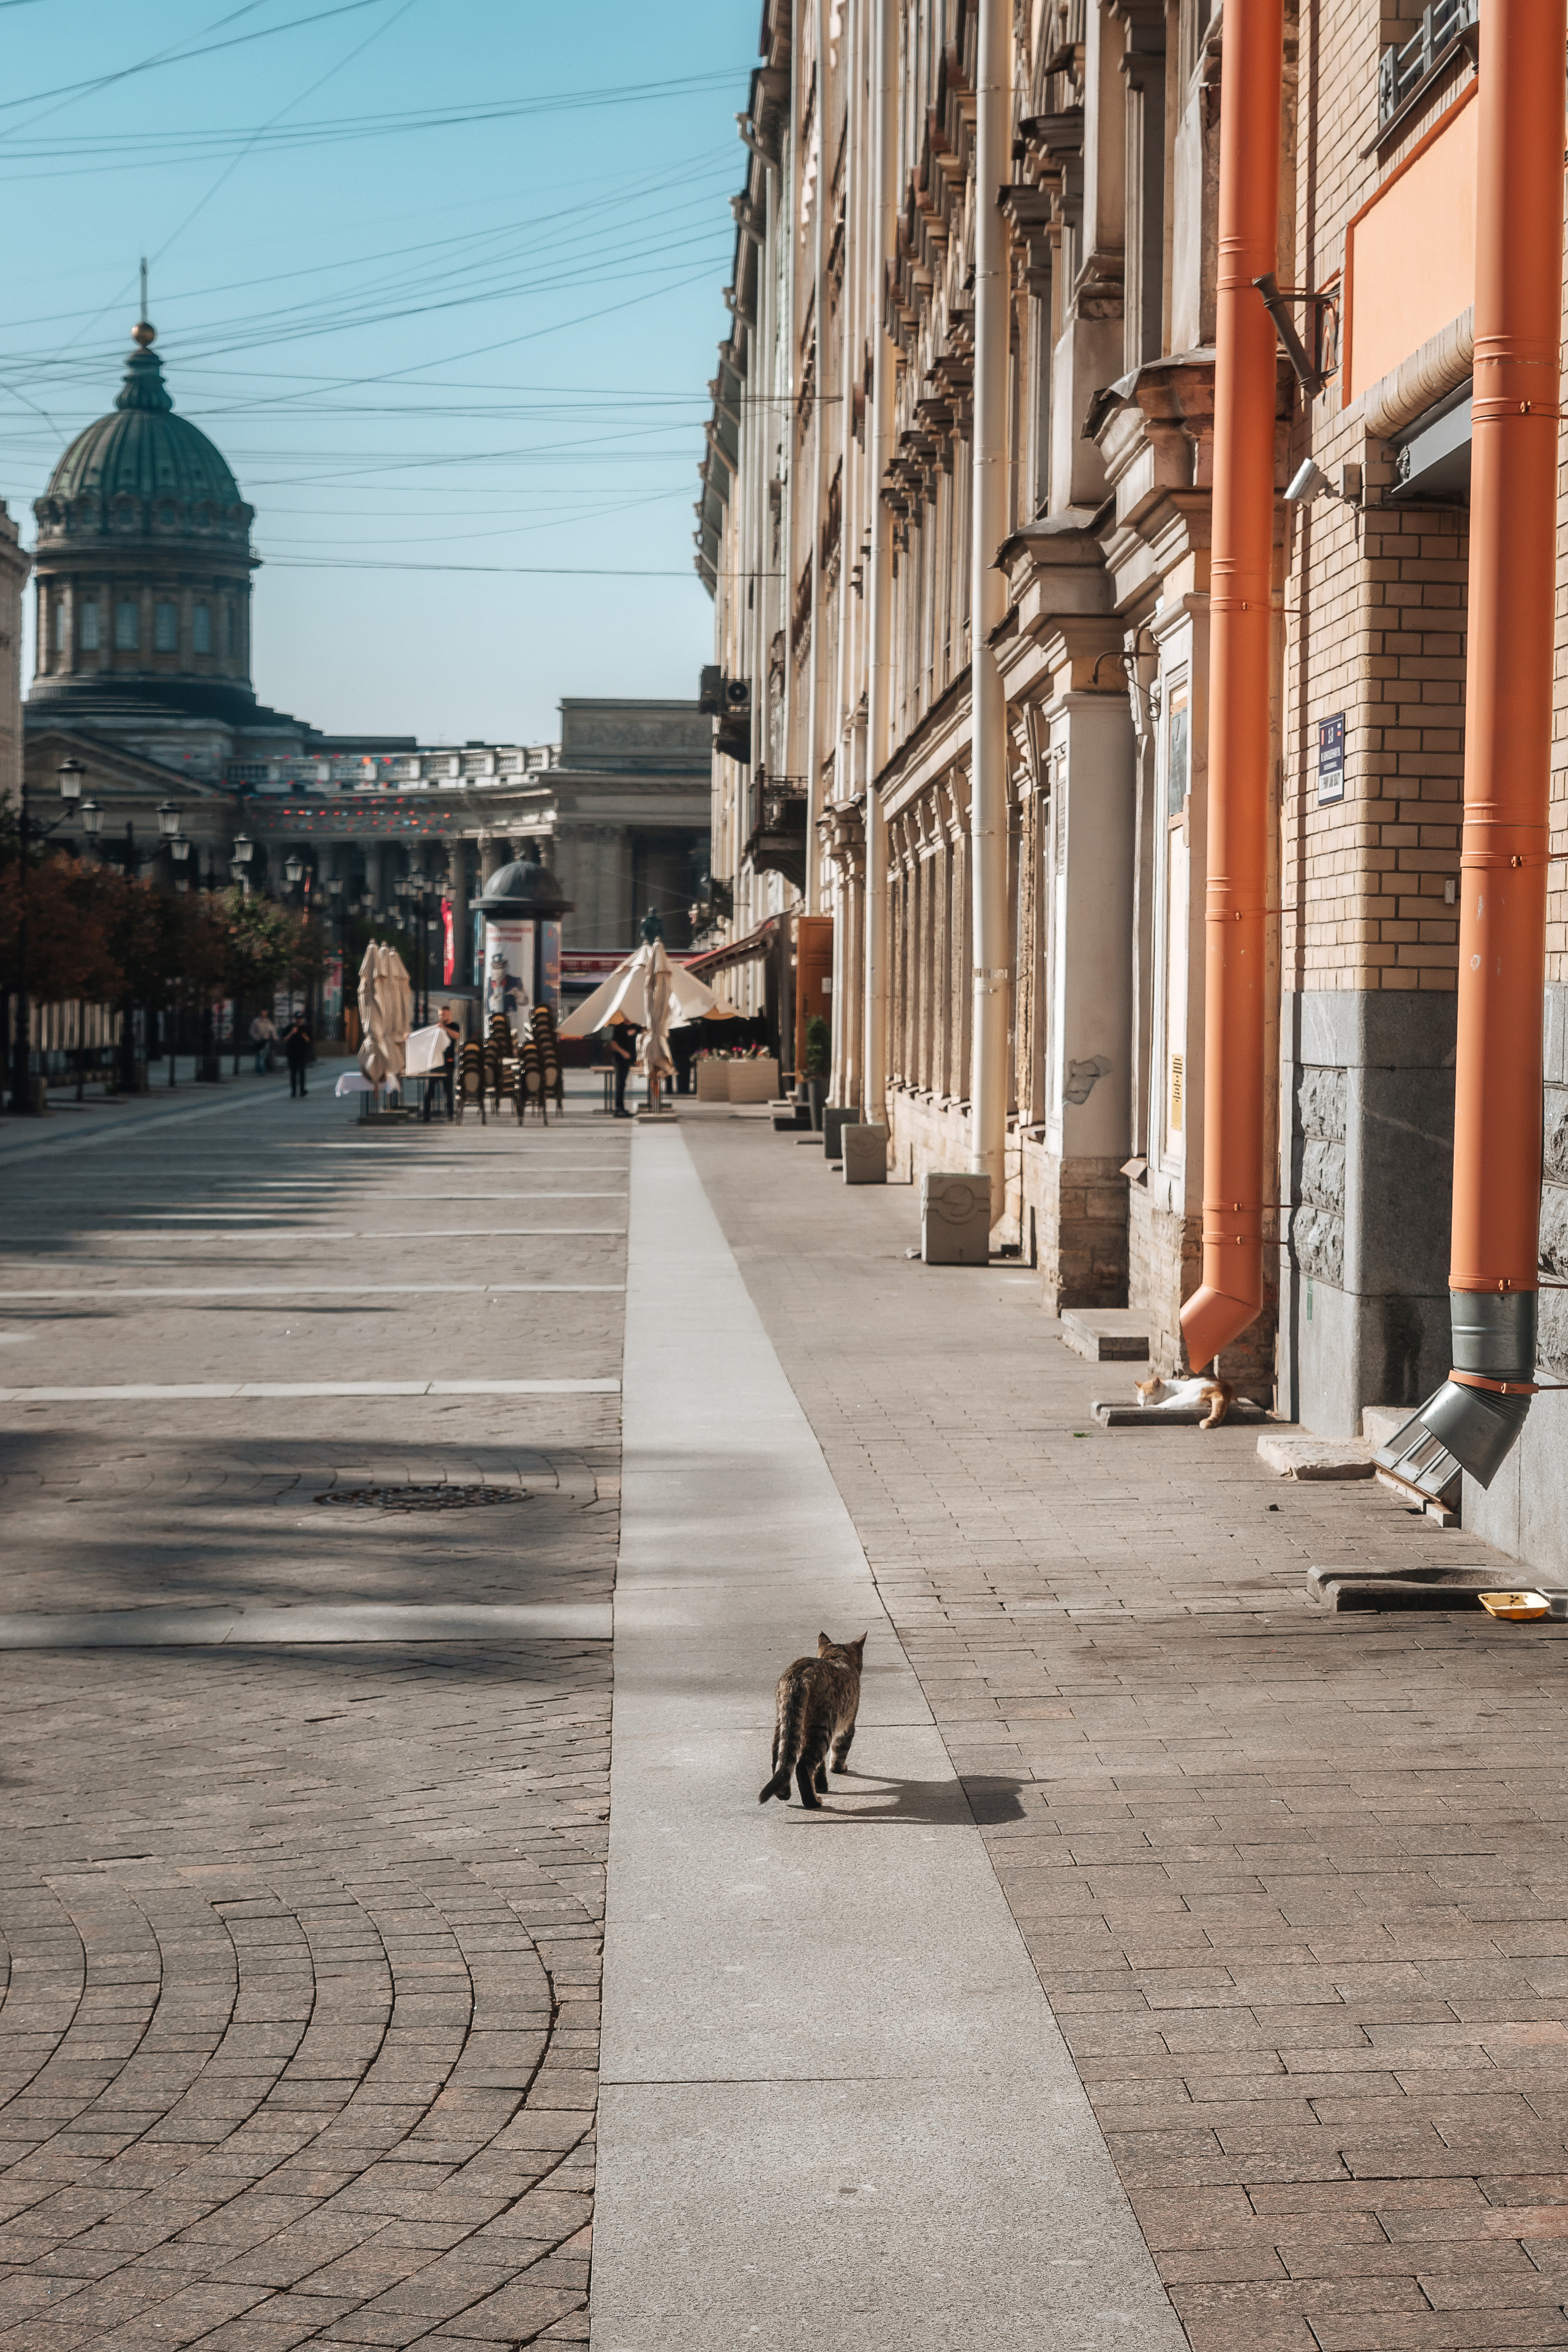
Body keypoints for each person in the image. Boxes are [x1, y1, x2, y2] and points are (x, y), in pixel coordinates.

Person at [605, 1016, 638, 1118]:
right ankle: (619, 1108)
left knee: (623, 1082)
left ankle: (621, 1108)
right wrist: (623, 1052)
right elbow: (613, 1043)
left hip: (629, 1059)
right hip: (621, 1059)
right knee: (621, 1082)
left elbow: (644, 1031)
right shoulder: (619, 1028)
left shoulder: (635, 1026)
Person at [436, 1003, 462, 1119]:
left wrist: (445, 1028)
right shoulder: (437, 1027)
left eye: (444, 1015)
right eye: (441, 1015)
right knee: (430, 1089)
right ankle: (427, 1113)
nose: (442, 1017)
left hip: (449, 1062)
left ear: (449, 1015)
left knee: (448, 1088)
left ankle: (450, 1112)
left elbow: (456, 1036)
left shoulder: (454, 1026)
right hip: (436, 1062)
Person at [283, 1012, 312, 1098]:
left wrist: (304, 1036)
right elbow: (285, 1039)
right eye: (297, 1019)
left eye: (300, 1019)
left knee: (302, 1072)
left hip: (302, 1053)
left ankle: (303, 1089)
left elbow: (309, 1040)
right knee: (293, 1073)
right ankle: (294, 1091)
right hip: (292, 1053)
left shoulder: (306, 1028)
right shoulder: (290, 1027)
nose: (299, 1021)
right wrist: (292, 1033)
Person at [250, 1009, 277, 1074]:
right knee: (261, 1054)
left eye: (265, 1012)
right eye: (263, 1012)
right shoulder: (256, 1021)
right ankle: (262, 1070)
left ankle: (258, 1068)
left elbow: (273, 1030)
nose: (264, 1014)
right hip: (259, 1040)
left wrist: (274, 1036)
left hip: (266, 1040)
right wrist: (257, 1038)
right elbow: (252, 1031)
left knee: (263, 1055)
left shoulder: (268, 1021)